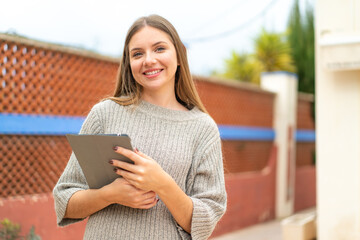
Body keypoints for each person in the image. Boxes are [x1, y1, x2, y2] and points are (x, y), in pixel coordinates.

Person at [53, 14, 227, 240]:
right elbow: (64, 201)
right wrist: (110, 194)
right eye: (137, 54)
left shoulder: (203, 128)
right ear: (129, 63)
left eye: (159, 49)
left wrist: (162, 183)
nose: (149, 60)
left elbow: (206, 221)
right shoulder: (104, 114)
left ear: (179, 56)